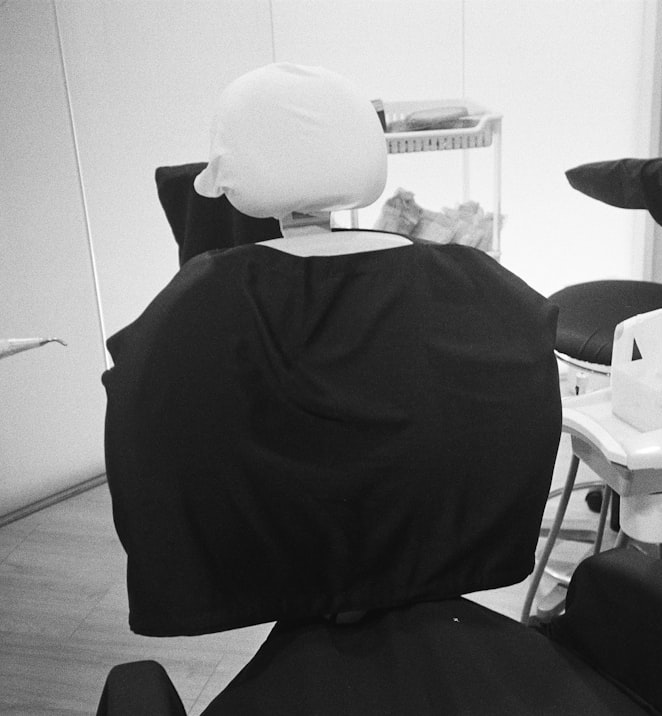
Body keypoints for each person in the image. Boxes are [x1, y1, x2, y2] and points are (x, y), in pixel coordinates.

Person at [101, 64, 562, 637]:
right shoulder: (480, 287)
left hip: (281, 572)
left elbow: (147, 424)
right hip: (434, 568)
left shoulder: (198, 302)